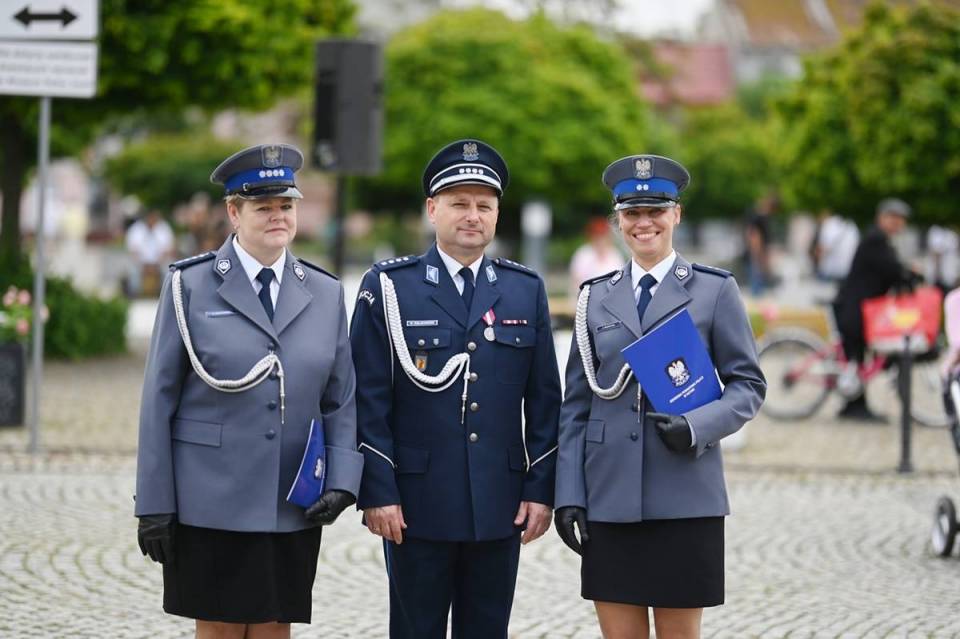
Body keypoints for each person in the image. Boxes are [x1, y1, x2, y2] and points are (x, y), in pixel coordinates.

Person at [134, 144, 363, 638]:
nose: (278, 216)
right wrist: (154, 502)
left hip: (290, 500)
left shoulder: (325, 293)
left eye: (286, 205)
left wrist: (343, 479)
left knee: (274, 628)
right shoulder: (189, 286)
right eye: (263, 207)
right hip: (210, 497)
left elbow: (340, 397)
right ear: (234, 213)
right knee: (218, 628)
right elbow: (158, 399)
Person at [350, 139, 561, 638]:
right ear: (432, 209)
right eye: (459, 203)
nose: (473, 216)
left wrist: (540, 490)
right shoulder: (389, 287)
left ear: (497, 214)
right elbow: (366, 398)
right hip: (415, 503)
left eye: (484, 206)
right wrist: (378, 491)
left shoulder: (524, 289)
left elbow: (545, 401)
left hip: (499, 502)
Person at [554, 154, 766, 639]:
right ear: (618, 221)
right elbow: (575, 407)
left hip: (685, 494)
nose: (643, 222)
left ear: (677, 215)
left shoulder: (715, 291)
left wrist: (696, 427)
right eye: (632, 213)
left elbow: (749, 385)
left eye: (656, 211)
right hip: (609, 496)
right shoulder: (594, 297)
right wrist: (569, 494)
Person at [833, 198, 920, 421]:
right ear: (881, 218)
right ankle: (854, 406)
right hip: (855, 308)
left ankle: (854, 404)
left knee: (859, 355)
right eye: (893, 217)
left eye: (900, 219)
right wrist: (910, 275)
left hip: (860, 307)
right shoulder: (876, 240)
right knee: (856, 355)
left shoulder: (881, 240)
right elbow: (891, 268)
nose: (897, 222)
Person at [569, 217, 626, 302]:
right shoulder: (583, 254)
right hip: (585, 301)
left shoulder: (615, 255)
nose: (600, 239)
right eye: (597, 235)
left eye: (602, 235)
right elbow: (575, 283)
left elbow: (621, 283)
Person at [124, 209, 175, 297]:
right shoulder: (136, 229)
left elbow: (169, 249)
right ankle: (135, 294)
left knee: (169, 270)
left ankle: (166, 295)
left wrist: (157, 264)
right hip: (141, 263)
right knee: (132, 270)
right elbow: (133, 251)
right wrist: (143, 265)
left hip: (159, 262)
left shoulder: (164, 228)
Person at [810, 209, 859, 283]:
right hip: (847, 270)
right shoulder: (852, 226)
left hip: (830, 271)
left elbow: (822, 249)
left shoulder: (828, 226)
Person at [742, 192, 777, 296]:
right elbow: (754, 236)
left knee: (758, 282)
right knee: (757, 283)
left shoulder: (759, 217)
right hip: (757, 253)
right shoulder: (759, 218)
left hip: (757, 252)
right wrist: (758, 254)